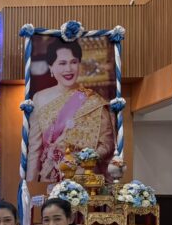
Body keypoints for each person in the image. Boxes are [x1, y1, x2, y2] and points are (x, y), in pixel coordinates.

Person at [26, 38, 115, 183]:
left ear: (79, 64)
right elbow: (34, 150)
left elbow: (107, 144)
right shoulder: (39, 98)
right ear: (51, 67)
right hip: (50, 176)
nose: (68, 69)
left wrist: (80, 159)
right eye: (62, 63)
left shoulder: (93, 101)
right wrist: (30, 185)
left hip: (83, 177)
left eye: (73, 62)